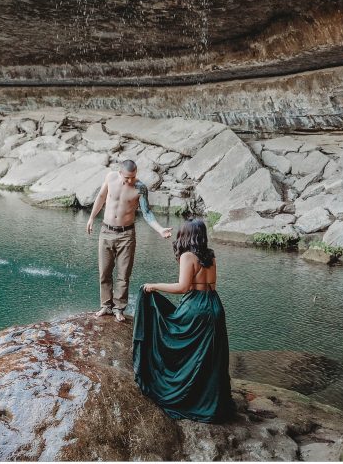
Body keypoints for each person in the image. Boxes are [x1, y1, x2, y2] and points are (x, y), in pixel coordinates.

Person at [133, 219, 233, 423]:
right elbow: (211, 283)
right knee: (210, 357)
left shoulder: (188, 256)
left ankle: (186, 397)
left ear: (186, 235)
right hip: (214, 305)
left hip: (196, 307)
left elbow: (183, 287)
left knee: (174, 339)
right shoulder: (210, 255)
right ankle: (212, 403)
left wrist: (154, 286)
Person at [86, 159, 173, 322]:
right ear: (120, 173)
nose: (130, 181)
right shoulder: (110, 177)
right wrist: (91, 218)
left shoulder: (140, 188)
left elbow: (147, 212)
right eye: (127, 178)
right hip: (106, 231)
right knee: (104, 272)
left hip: (126, 235)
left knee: (123, 274)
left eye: (133, 177)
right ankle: (106, 306)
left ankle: (119, 308)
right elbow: (101, 197)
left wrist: (160, 229)